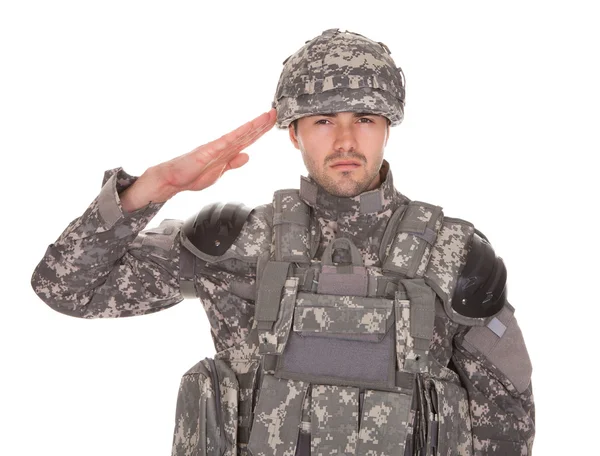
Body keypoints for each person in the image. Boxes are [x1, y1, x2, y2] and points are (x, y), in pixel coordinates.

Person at [31, 29, 534, 455]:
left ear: (386, 129)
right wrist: (150, 191)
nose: (344, 141)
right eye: (322, 120)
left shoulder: (455, 255)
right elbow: (68, 290)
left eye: (363, 119)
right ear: (293, 133)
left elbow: (507, 421)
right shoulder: (234, 242)